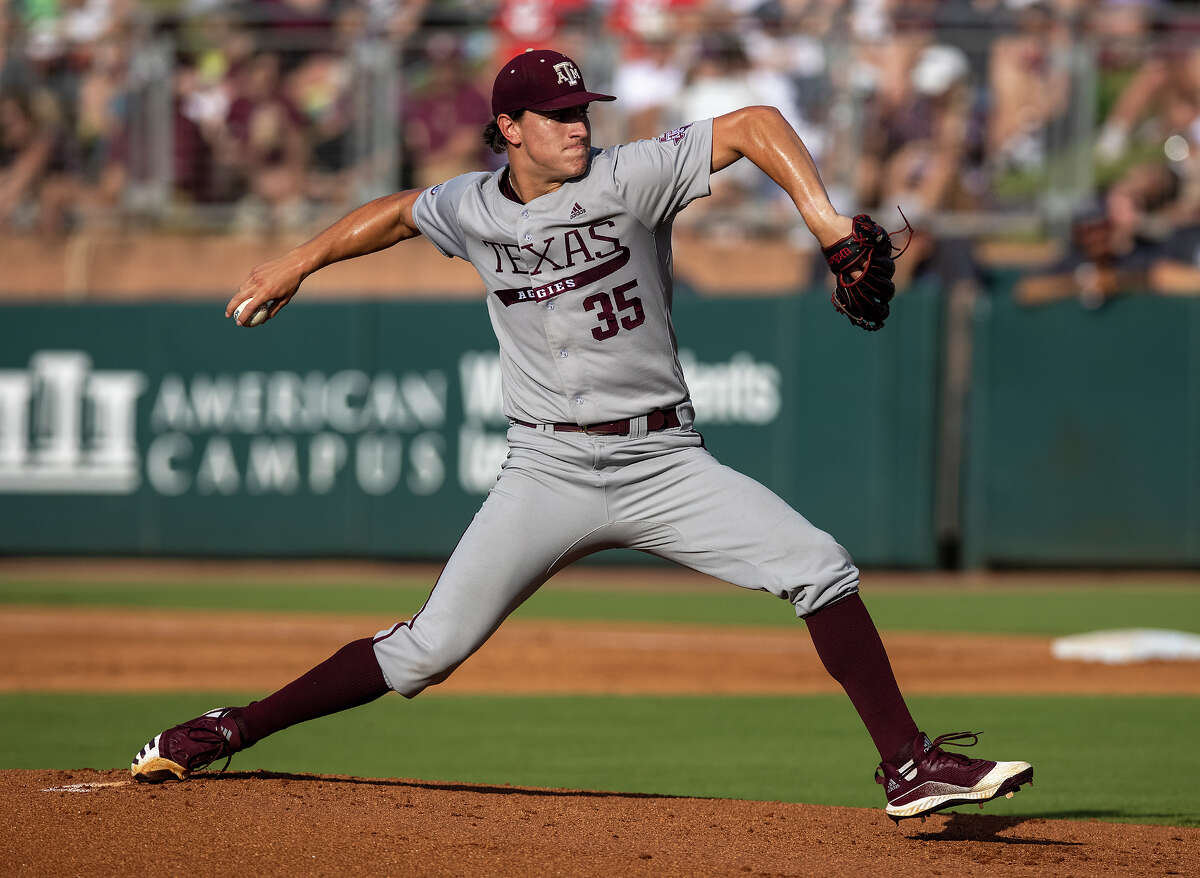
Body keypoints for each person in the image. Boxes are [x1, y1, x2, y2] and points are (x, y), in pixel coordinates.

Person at [130, 48, 1033, 824]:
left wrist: (829, 224)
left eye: (581, 109)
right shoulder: (474, 209)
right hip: (548, 467)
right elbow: (402, 210)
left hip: (663, 461)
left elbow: (757, 123)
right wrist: (300, 259)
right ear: (509, 128)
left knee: (818, 563)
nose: (577, 125)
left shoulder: (629, 174)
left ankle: (908, 766)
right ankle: (231, 728)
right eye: (557, 115)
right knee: (426, 651)